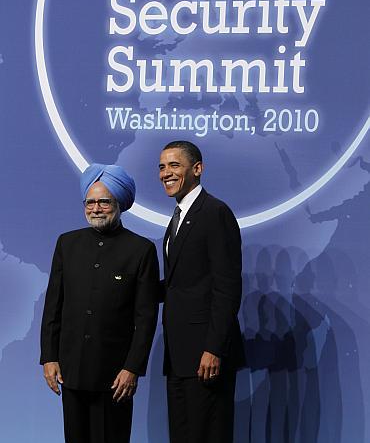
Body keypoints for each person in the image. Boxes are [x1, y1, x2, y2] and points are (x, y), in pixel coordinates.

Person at [40, 164, 159, 443]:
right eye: (90, 202)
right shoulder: (67, 244)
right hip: (71, 371)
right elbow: (53, 305)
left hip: (115, 377)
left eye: (104, 201)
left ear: (119, 204)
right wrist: (49, 356)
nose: (96, 208)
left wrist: (132, 368)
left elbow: (146, 318)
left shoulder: (140, 250)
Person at [158, 140, 244, 443]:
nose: (166, 173)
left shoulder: (214, 212)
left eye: (174, 165)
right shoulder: (178, 216)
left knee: (208, 435)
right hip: (179, 353)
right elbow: (179, 282)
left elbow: (227, 286)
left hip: (205, 354)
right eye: (162, 167)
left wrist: (214, 348)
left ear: (197, 168)